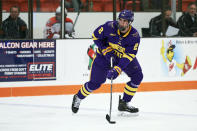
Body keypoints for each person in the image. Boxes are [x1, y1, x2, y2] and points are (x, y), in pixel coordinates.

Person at [71, 10, 143, 114]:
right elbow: (95, 36)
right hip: (103, 57)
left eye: (125, 21)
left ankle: (124, 103)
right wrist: (105, 49)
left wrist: (117, 69)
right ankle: (78, 97)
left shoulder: (134, 36)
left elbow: (129, 55)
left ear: (130, 22)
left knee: (138, 76)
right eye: (120, 20)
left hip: (121, 57)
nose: (121, 23)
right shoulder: (109, 26)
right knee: (95, 84)